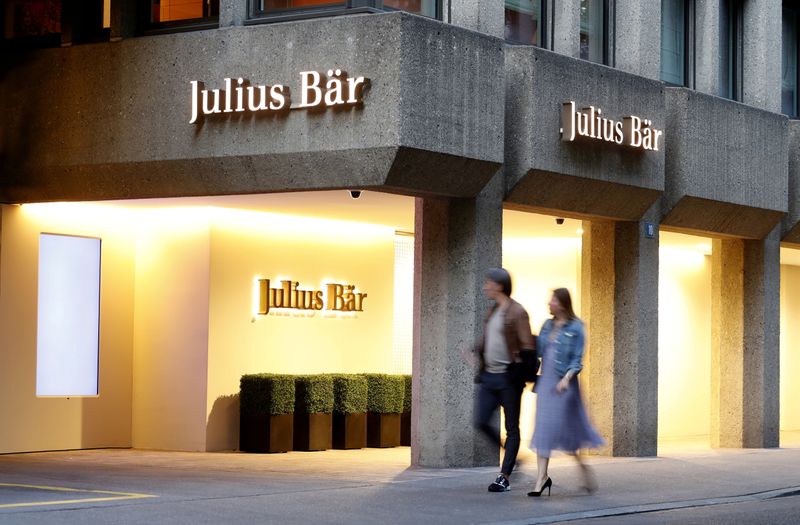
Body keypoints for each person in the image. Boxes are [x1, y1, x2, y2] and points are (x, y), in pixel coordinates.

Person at [528, 288, 604, 497]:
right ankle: (541, 478)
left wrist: (566, 380)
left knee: (566, 432)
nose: (549, 303)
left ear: (562, 303)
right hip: (546, 385)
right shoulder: (547, 325)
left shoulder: (577, 327)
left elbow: (577, 360)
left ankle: (583, 468)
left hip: (564, 385)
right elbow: (539, 351)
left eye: (552, 299)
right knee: (543, 429)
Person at [473, 268, 536, 493]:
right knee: (480, 421)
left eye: (488, 283)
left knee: (512, 427)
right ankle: (512, 458)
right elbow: (488, 339)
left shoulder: (517, 312)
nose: (485, 287)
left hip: (508, 378)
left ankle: (504, 475)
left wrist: (518, 372)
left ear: (500, 285)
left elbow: (527, 346)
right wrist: (476, 352)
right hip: (489, 377)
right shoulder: (493, 311)